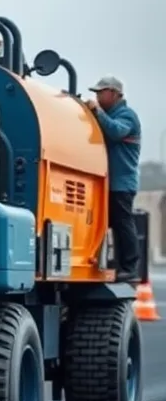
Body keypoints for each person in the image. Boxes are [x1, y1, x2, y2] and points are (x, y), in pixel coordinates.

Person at [86, 76, 142, 283]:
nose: (98, 96)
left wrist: (97, 112)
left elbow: (116, 132)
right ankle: (112, 263)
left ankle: (130, 267)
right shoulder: (108, 116)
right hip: (107, 183)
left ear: (115, 94)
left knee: (122, 222)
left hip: (122, 183)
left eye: (101, 92)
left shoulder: (127, 116)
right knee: (107, 223)